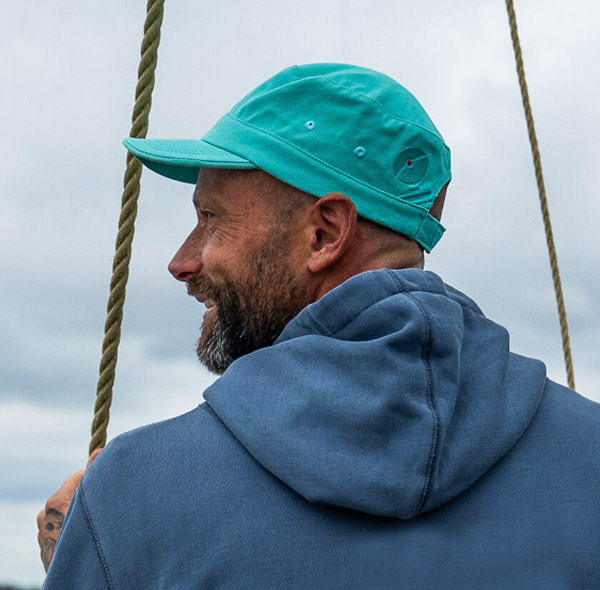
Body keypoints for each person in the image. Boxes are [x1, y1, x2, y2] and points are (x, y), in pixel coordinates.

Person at [39, 63, 599, 589]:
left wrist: (95, 549)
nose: (182, 262)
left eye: (211, 218)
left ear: (325, 234)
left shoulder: (136, 495)